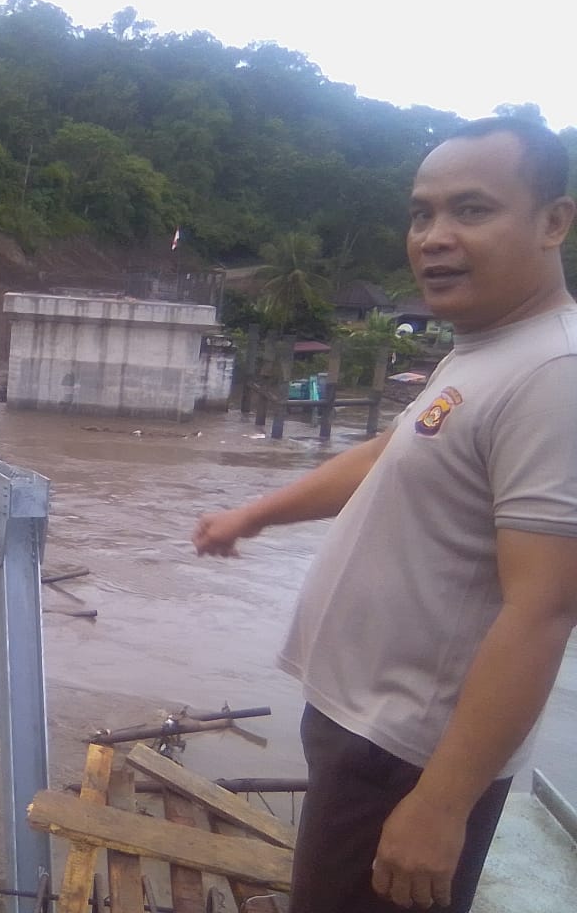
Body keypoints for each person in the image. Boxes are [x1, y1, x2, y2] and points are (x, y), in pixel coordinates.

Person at [193, 116, 577, 912]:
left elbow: (544, 607)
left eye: (471, 210)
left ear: (554, 222)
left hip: (410, 758)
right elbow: (388, 454)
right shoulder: (483, 347)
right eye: (420, 212)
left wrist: (441, 806)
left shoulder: (555, 375)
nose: (434, 236)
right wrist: (257, 515)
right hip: (364, 731)